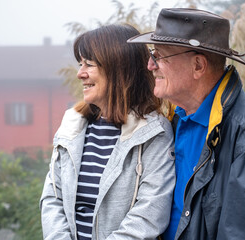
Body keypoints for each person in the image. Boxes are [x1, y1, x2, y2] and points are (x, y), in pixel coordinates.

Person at [127, 8, 245, 240]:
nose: (150, 65)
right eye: (151, 54)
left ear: (198, 65)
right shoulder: (175, 119)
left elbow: (244, 234)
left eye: (159, 56)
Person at [40, 24, 176, 240]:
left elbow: (149, 216)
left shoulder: (154, 133)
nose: (80, 74)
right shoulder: (72, 125)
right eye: (80, 64)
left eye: (89, 65)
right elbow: (52, 197)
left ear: (119, 69)